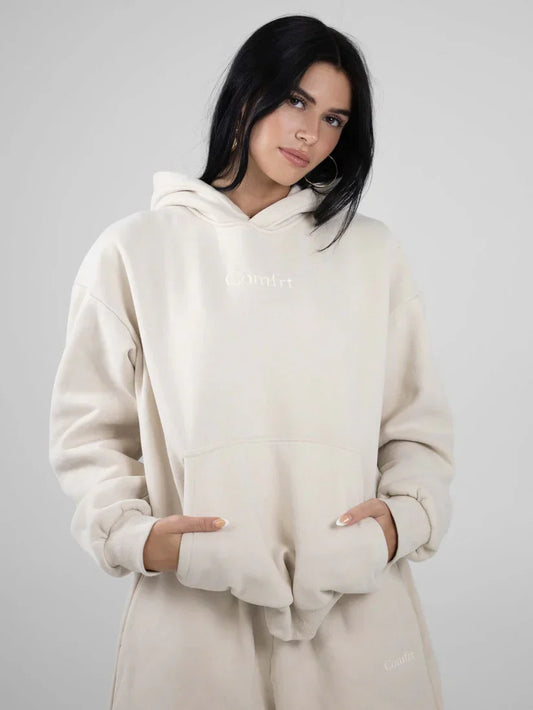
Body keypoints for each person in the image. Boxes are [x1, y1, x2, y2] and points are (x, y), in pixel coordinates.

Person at [48, 14, 455, 710]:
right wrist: (147, 542)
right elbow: (89, 436)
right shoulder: (134, 251)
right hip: (193, 613)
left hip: (357, 606)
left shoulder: (369, 253)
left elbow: (415, 428)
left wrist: (395, 527)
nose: (310, 133)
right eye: (296, 100)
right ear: (246, 92)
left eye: (333, 119)